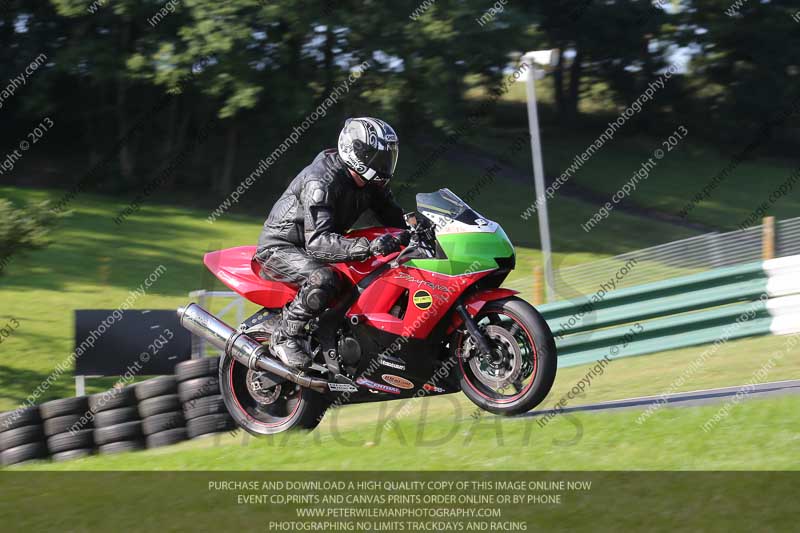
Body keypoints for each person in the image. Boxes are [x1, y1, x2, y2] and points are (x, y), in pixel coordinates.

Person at [255, 117, 407, 370]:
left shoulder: (372, 184)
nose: (383, 164)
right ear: (354, 152)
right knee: (324, 279)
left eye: (387, 157)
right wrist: (369, 246)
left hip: (319, 244)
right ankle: (285, 335)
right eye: (376, 156)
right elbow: (317, 243)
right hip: (282, 247)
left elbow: (396, 220)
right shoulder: (321, 181)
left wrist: (422, 229)